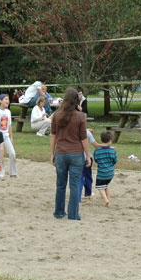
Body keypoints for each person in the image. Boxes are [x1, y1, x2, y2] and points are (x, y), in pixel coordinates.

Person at [50, 88, 91, 220]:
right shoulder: (80, 116)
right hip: (76, 154)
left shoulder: (57, 115)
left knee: (60, 184)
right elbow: (84, 138)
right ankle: (73, 214)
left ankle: (59, 211)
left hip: (61, 153)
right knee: (74, 185)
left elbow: (53, 136)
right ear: (77, 100)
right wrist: (88, 155)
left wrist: (52, 153)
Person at [0, 94, 18, 178]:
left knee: (12, 154)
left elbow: (9, 125)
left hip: (6, 136)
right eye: (6, 99)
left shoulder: (8, 112)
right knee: (0, 155)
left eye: (8, 99)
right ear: (0, 101)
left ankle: (13, 173)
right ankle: (0, 174)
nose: (8, 101)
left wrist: (11, 137)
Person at [93, 131, 118, 207]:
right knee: (106, 185)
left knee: (100, 188)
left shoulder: (97, 151)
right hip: (110, 173)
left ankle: (106, 200)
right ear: (110, 140)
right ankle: (109, 200)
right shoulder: (112, 151)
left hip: (101, 173)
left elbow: (96, 160)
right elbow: (115, 161)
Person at [79, 128, 98, 202]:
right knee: (87, 177)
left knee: (78, 178)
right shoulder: (87, 133)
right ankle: (88, 193)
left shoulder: (70, 130)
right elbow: (96, 145)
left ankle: (77, 196)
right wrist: (107, 147)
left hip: (74, 157)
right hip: (86, 158)